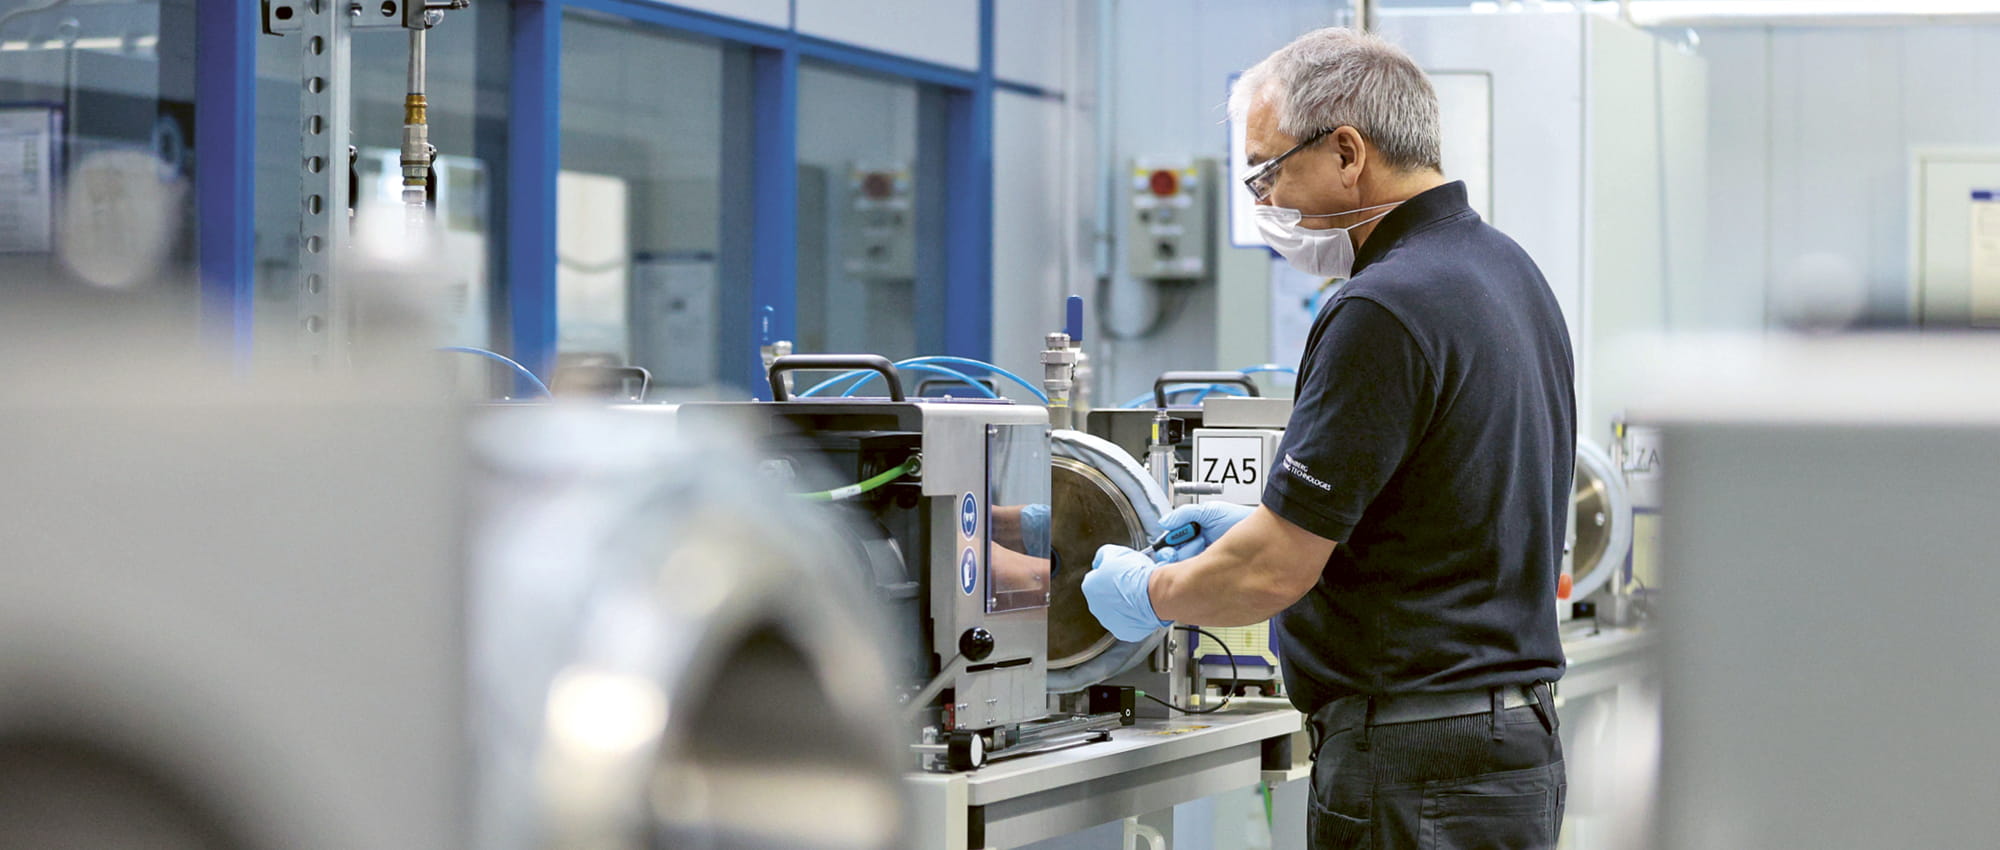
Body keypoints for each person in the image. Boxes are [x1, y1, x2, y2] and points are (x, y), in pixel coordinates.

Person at [1082, 27, 1576, 850]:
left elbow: (1274, 572)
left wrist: (1152, 595)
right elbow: (1447, 506)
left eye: (1270, 171)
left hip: (1416, 763)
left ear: (1348, 151)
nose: (1266, 202)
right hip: (1507, 751)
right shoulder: (1508, 272)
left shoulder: (1382, 306)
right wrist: (1254, 526)